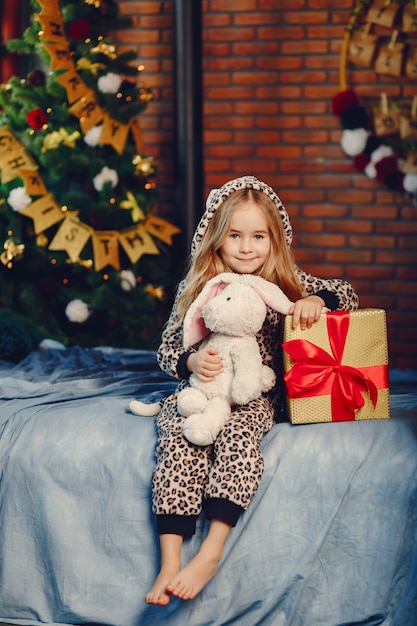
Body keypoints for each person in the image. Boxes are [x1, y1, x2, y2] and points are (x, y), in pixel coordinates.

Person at [145, 175, 359, 605]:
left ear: (274, 239)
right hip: (203, 393)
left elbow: (347, 294)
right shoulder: (201, 289)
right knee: (180, 442)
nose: (247, 247)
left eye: (258, 236)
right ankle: (169, 560)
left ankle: (211, 549)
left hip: (254, 397)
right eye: (235, 236)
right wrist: (191, 361)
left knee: (239, 441)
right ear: (216, 241)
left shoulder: (286, 279)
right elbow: (167, 348)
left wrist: (317, 301)